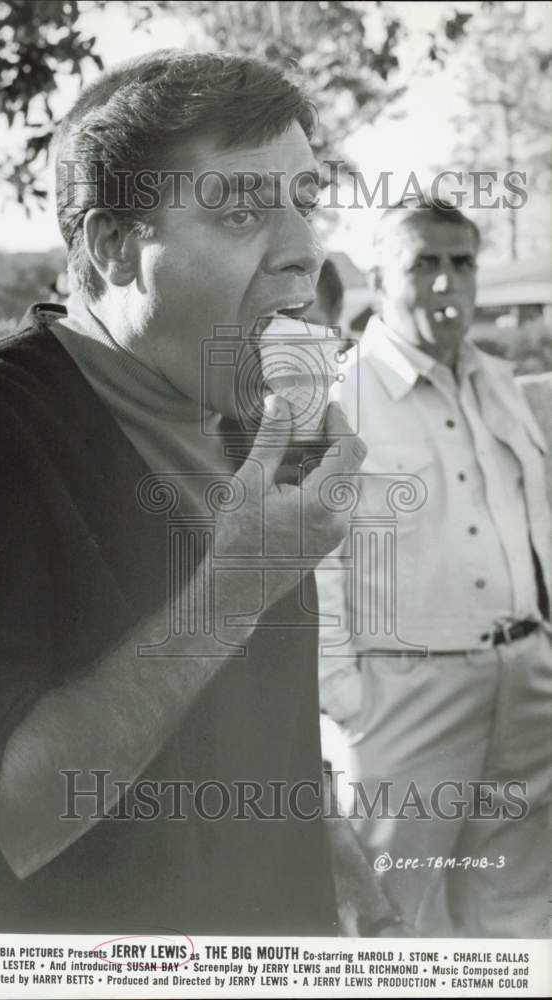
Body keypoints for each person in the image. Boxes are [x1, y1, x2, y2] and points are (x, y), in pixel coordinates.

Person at [0, 51, 381, 935]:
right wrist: (231, 595)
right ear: (114, 246)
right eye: (243, 211)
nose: (303, 255)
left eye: (306, 204)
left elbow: (230, 731)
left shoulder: (246, 423)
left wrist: (325, 852)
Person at [316, 195, 552, 937]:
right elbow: (311, 561)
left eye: (461, 262)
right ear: (381, 281)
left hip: (525, 688)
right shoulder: (339, 399)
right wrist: (346, 702)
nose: (448, 283)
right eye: (424, 264)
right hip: (402, 698)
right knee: (393, 924)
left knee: (521, 916)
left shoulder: (501, 384)